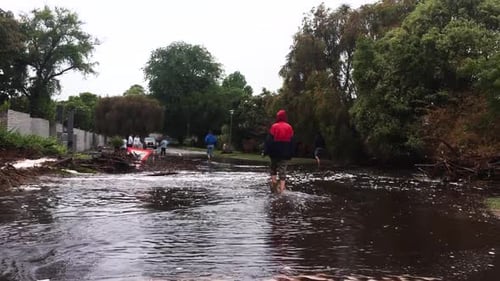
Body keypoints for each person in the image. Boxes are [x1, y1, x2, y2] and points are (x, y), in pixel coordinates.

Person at [263, 109, 294, 193]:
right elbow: (292, 141)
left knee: (273, 167)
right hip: (285, 151)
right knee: (283, 169)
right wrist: (291, 152)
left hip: (274, 151)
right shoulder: (289, 127)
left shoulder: (274, 126)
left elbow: (269, 140)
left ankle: (274, 183)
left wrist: (265, 151)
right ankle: (282, 188)